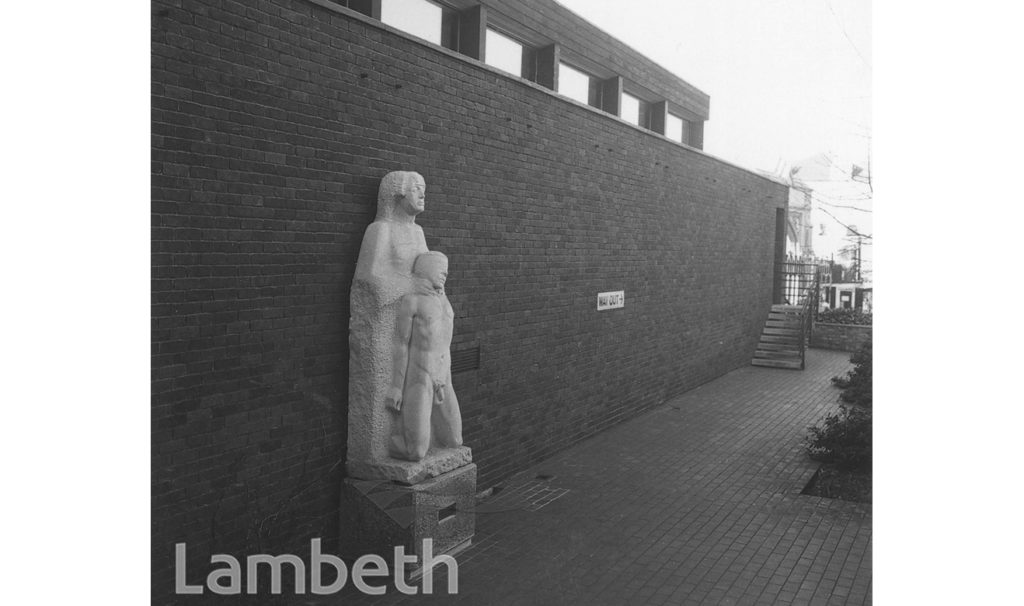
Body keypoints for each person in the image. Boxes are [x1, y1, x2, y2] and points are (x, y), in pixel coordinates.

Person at [385, 251, 463, 461]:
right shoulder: (412, 302)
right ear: (426, 269)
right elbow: (400, 345)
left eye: (446, 270)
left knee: (455, 440)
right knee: (416, 452)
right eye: (440, 269)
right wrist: (396, 387)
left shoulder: (444, 300)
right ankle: (389, 442)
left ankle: (420, 433)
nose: (445, 274)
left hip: (445, 380)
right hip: (420, 380)